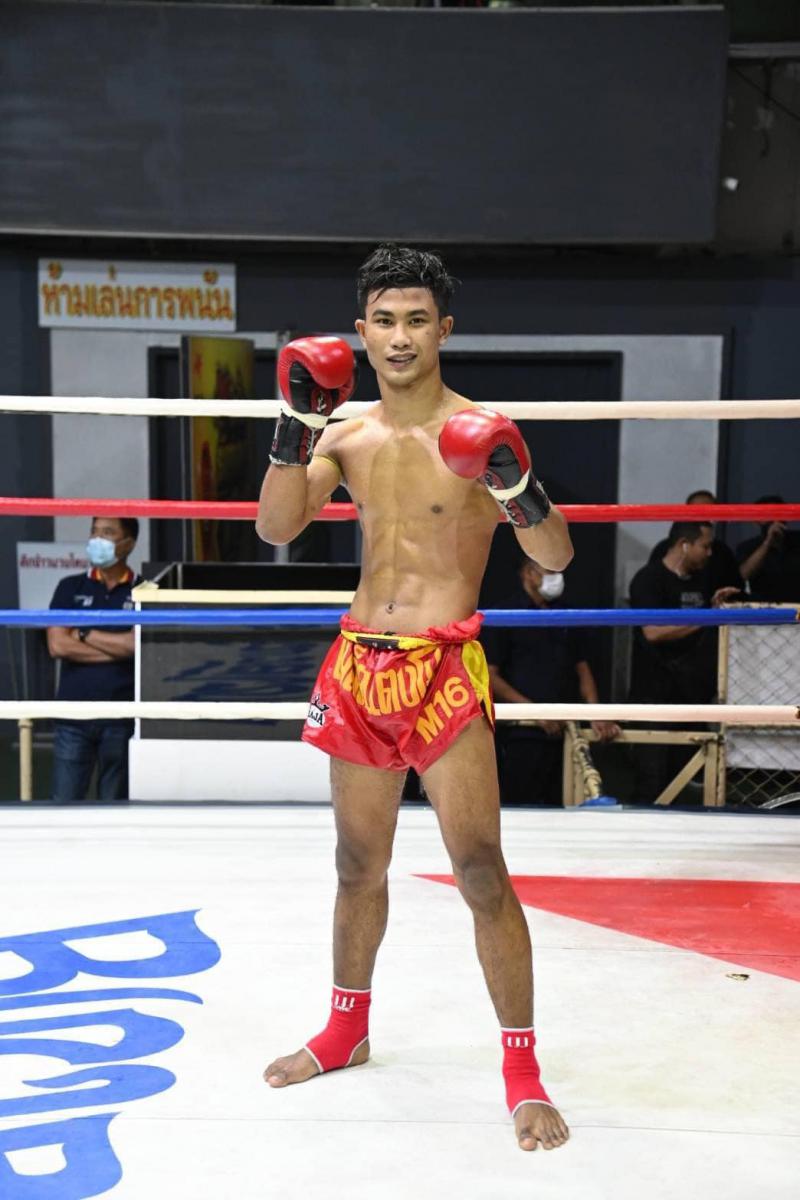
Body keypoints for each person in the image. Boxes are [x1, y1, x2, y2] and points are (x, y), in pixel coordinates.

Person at [256, 243, 573, 1152]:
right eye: (386, 321)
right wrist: (295, 424)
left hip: (442, 668)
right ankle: (346, 1029)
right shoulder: (345, 434)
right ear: (361, 332)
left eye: (418, 320)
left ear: (444, 330)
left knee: (480, 869)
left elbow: (555, 556)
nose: (401, 337)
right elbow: (277, 526)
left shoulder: (479, 430)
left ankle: (522, 1070)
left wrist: (513, 482)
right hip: (360, 663)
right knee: (357, 863)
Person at [482, 556, 620, 806]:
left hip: (565, 732)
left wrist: (596, 713)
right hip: (520, 732)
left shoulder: (566, 615)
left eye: (559, 572)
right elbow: (489, 676)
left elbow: (582, 669)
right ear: (528, 572)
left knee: (561, 806)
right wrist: (534, 712)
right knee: (520, 806)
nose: (557, 578)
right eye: (550, 571)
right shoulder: (504, 615)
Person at [628, 520, 739, 802]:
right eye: (705, 546)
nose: (709, 553)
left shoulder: (700, 580)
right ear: (684, 545)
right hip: (654, 696)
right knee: (652, 778)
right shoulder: (649, 579)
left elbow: (701, 622)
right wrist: (706, 618)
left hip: (690, 695)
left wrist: (713, 609)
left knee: (685, 778)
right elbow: (653, 632)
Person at [47, 517, 140, 801]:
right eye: (94, 532)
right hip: (72, 717)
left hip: (121, 717)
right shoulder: (69, 586)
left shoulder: (143, 591)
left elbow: (136, 646)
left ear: (128, 544)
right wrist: (114, 648)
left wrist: (83, 633)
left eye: (108, 533)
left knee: (115, 808)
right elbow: (57, 645)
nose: (98, 539)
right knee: (64, 806)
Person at [647, 489, 741, 596]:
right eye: (696, 512)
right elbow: (653, 586)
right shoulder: (663, 549)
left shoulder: (723, 552)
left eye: (709, 513)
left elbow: (736, 590)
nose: (702, 517)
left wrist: (720, 602)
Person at [736, 494, 800, 602]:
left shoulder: (797, 540)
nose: (775, 520)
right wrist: (767, 543)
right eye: (769, 515)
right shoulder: (747, 546)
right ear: (757, 520)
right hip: (764, 607)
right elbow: (743, 575)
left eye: (779, 514)